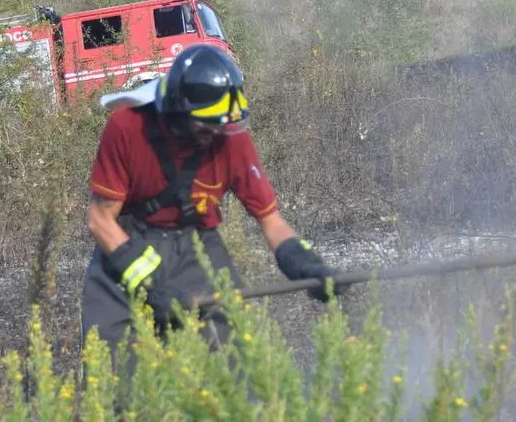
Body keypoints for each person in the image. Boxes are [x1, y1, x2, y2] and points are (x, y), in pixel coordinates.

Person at [80, 43, 346, 371]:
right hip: (126, 244)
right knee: (114, 372)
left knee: (235, 360)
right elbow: (101, 221)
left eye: (222, 125)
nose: (216, 134)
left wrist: (307, 265)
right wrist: (154, 287)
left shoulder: (230, 137)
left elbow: (271, 221)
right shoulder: (126, 127)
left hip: (197, 246)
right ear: (178, 111)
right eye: (206, 125)